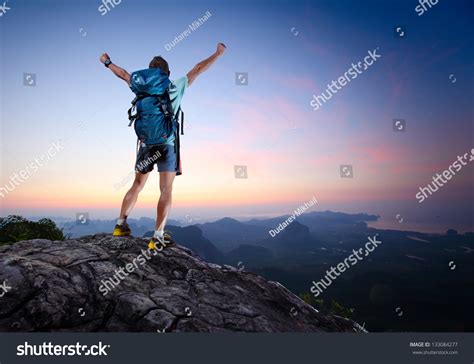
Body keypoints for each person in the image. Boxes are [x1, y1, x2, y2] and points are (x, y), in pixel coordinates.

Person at [99, 43, 226, 249]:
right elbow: (198, 69)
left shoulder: (139, 87)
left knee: (137, 185)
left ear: (149, 71)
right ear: (167, 72)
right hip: (167, 145)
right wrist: (217, 54)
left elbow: (122, 73)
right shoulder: (174, 86)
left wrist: (107, 62)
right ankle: (157, 237)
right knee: (166, 189)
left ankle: (120, 225)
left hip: (146, 144)